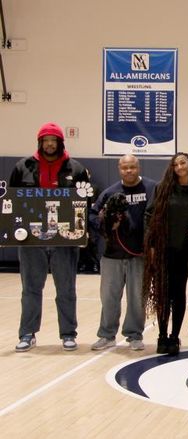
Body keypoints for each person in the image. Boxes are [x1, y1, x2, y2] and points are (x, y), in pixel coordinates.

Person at [11, 122, 90, 352]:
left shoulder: (75, 168)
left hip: (64, 239)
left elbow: (84, 203)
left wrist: (82, 232)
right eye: (45, 140)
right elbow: (12, 202)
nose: (49, 144)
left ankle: (68, 333)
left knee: (66, 288)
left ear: (60, 142)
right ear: (40, 142)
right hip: (31, 239)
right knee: (31, 288)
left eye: (53, 140)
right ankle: (27, 333)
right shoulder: (22, 167)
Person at [89, 154, 155, 351]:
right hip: (111, 255)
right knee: (109, 297)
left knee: (137, 298)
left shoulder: (152, 188)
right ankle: (107, 335)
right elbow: (92, 215)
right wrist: (105, 223)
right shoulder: (110, 193)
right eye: (125, 168)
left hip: (139, 255)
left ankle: (134, 335)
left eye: (132, 167)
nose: (129, 171)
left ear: (139, 167)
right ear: (119, 169)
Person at [143, 152, 188, 355]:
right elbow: (150, 217)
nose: (179, 166)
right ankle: (162, 335)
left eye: (183, 162)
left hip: (186, 253)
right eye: (175, 164)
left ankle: (174, 336)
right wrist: (152, 246)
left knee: (179, 296)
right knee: (163, 295)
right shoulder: (162, 189)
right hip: (163, 251)